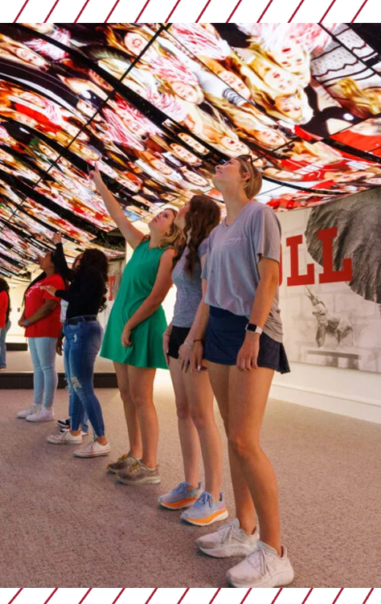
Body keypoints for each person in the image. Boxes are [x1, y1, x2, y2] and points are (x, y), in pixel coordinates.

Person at [185, 156, 294, 588]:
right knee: (233, 434)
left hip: (254, 329)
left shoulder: (260, 215)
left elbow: (269, 280)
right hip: (220, 333)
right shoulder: (215, 234)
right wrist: (196, 339)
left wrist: (254, 331)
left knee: (246, 440)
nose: (218, 166)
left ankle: (275, 552)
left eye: (227, 163)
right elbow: (209, 297)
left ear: (246, 175)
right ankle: (244, 529)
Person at [92, 168, 181, 486]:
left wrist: (129, 325)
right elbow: (117, 215)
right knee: (127, 393)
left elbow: (157, 296)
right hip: (123, 323)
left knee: (143, 397)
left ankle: (151, 464)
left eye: (167, 215)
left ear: (174, 228)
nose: (160, 215)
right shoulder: (142, 243)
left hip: (141, 325)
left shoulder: (168, 253)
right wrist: (101, 183)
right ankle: (135, 451)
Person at [162, 195, 228, 527]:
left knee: (203, 415)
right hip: (180, 332)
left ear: (196, 214)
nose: (180, 210)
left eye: (186, 207)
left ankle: (214, 496)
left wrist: (193, 339)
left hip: (196, 337)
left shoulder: (206, 247)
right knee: (183, 410)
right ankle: (190, 485)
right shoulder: (188, 247)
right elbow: (184, 296)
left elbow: (208, 298)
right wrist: (172, 328)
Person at [43, 246, 111, 459]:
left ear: (89, 260)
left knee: (82, 386)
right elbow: (65, 272)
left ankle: (101, 440)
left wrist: (58, 293)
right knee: (75, 385)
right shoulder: (87, 276)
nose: (77, 263)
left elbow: (77, 298)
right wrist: (59, 245)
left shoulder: (91, 275)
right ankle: (74, 431)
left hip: (82, 331)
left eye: (80, 259)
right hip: (75, 328)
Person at [16, 234, 68, 423]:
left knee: (47, 367)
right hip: (34, 329)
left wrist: (28, 321)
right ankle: (36, 405)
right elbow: (30, 302)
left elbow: (48, 306)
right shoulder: (40, 281)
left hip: (46, 328)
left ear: (53, 263)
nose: (41, 259)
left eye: (46, 256)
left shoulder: (56, 280)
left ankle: (48, 408)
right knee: (38, 368)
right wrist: (23, 318)